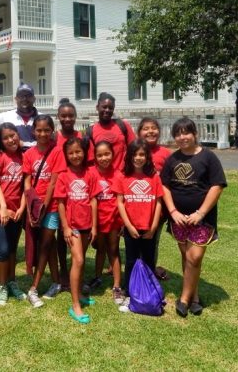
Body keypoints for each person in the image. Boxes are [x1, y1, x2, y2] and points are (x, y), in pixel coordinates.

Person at [160, 117, 227, 318]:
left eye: (186, 133)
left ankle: (184, 299)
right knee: (186, 256)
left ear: (195, 134)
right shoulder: (173, 159)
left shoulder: (208, 157)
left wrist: (200, 213)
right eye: (178, 134)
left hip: (202, 219)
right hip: (179, 218)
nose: (182, 137)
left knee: (194, 257)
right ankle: (195, 297)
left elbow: (217, 186)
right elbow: (164, 186)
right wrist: (173, 212)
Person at [24, 115, 66, 308]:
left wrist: (44, 207)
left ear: (52, 131)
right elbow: (27, 182)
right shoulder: (28, 154)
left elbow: (53, 183)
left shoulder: (57, 152)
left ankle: (33, 287)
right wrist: (31, 205)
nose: (42, 134)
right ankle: (56, 282)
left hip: (52, 207)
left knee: (45, 245)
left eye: (46, 130)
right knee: (48, 245)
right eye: (39, 130)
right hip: (34, 207)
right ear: (33, 131)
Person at [116, 138, 163, 313]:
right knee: (131, 261)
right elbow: (120, 203)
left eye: (142, 154)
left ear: (147, 157)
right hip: (131, 228)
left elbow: (158, 202)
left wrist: (153, 227)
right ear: (129, 156)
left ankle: (150, 292)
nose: (138, 158)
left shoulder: (154, 177)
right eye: (135, 154)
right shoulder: (122, 176)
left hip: (149, 228)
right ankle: (130, 294)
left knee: (149, 260)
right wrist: (128, 226)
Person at [55, 137, 97, 324]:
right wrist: (65, 227)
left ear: (85, 152)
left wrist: (94, 226)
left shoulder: (90, 173)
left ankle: (79, 293)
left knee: (80, 261)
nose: (75, 155)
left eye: (78, 151)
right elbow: (60, 203)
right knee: (78, 260)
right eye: (71, 153)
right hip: (72, 227)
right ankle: (75, 305)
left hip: (87, 224)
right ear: (66, 155)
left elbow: (93, 200)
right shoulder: (63, 176)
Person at [0, 123, 27, 306]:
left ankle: (12, 282)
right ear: (0, 141)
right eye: (6, 138)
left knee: (12, 250)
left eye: (13, 135)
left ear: (18, 135)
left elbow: (26, 185)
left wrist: (21, 209)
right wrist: (2, 208)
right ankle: (2, 286)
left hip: (16, 213)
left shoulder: (24, 157)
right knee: (2, 250)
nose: (11, 140)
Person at [86, 141, 126, 305]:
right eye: (100, 155)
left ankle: (117, 286)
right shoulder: (91, 173)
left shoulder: (118, 175)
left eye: (107, 154)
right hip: (98, 219)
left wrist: (123, 222)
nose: (104, 158)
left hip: (114, 220)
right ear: (95, 157)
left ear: (113, 154)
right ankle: (97, 277)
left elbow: (122, 201)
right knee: (100, 249)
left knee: (113, 251)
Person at [137, 117, 172, 281]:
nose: (150, 131)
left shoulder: (165, 154)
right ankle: (136, 274)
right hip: (136, 207)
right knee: (136, 243)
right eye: (146, 128)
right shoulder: (134, 151)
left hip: (157, 208)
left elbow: (170, 182)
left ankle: (149, 273)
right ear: (139, 133)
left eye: (154, 128)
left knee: (153, 242)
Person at [54, 98, 83, 291]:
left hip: (78, 189)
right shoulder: (54, 137)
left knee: (79, 232)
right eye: (63, 116)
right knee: (61, 233)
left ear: (75, 117)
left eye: (70, 115)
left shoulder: (82, 136)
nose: (67, 119)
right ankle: (63, 270)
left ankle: (77, 269)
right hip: (59, 188)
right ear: (58, 117)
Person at [85, 92, 136, 171]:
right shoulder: (90, 132)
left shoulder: (123, 126)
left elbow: (135, 149)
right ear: (97, 107)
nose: (107, 110)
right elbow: (91, 160)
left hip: (123, 174)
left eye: (110, 108)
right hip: (102, 176)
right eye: (104, 107)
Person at [0, 83, 39, 150]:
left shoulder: (42, 119)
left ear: (34, 99)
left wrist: (25, 144)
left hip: (37, 156)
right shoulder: (5, 117)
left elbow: (48, 142)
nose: (24, 99)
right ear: (16, 99)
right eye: (21, 96)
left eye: (28, 96)